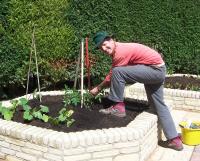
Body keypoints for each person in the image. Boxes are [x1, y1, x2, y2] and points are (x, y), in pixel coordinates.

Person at [90, 31, 183, 151]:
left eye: (105, 43)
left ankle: (118, 106)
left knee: (118, 72)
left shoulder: (121, 52)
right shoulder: (119, 49)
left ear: (111, 39)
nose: (104, 48)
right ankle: (174, 140)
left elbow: (113, 74)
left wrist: (98, 88)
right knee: (157, 106)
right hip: (158, 69)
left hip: (154, 70)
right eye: (101, 47)